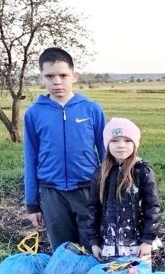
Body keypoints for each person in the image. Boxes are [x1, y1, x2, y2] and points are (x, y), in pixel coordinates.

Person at [24, 48, 106, 251]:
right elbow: (30, 159)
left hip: (88, 190)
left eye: (63, 75)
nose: (57, 81)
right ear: (41, 78)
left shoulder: (92, 109)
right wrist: (32, 204)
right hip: (52, 193)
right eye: (49, 76)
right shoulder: (34, 113)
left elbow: (106, 154)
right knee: (63, 252)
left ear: (74, 76)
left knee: (93, 249)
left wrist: (108, 193)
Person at [79, 118, 162, 262]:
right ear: (107, 144)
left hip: (137, 245)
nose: (121, 145)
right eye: (115, 140)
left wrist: (147, 240)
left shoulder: (142, 171)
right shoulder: (101, 173)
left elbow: (152, 207)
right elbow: (93, 208)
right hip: (109, 244)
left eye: (127, 141)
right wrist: (94, 241)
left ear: (135, 144)